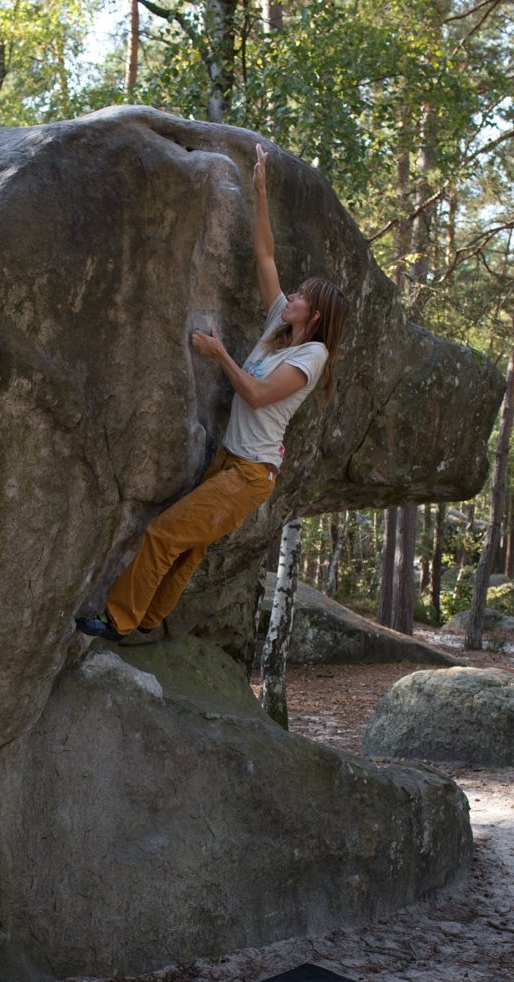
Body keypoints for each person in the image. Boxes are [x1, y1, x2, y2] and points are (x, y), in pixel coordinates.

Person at [77, 144, 349, 644]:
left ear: (314, 316)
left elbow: (259, 394)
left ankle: (117, 621)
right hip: (231, 460)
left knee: (165, 535)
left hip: (249, 474)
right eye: (293, 293)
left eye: (300, 297)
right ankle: (152, 618)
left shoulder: (310, 358)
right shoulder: (279, 329)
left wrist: (219, 353)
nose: (289, 297)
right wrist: (260, 192)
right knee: (190, 545)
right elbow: (264, 253)